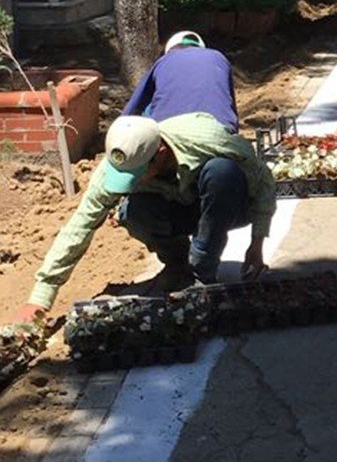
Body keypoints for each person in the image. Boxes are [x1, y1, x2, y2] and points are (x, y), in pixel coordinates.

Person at [14, 113, 276, 322]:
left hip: (228, 205)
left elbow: (263, 180)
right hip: (179, 209)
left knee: (222, 172)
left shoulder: (205, 138)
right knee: (134, 212)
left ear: (160, 153)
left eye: (137, 174)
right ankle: (177, 264)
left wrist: (257, 242)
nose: (131, 180)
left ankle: (201, 272)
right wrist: (40, 296)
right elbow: (80, 225)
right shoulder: (115, 166)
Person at [123, 31, 239, 133]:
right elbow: (229, 105)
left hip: (168, 133)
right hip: (220, 130)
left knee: (148, 109)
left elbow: (133, 107)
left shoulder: (163, 61)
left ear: (170, 50)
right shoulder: (219, 58)